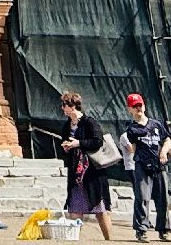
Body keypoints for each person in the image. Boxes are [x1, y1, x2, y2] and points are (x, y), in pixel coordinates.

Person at [58, 92, 112, 242]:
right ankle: (74, 240)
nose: (62, 108)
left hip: (92, 173)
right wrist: (67, 147)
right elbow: (64, 143)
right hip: (76, 173)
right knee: (75, 207)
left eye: (64, 105)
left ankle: (110, 240)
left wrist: (79, 143)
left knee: (100, 209)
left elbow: (97, 141)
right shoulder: (66, 125)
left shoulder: (89, 122)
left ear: (72, 106)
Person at [124, 93, 171, 243]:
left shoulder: (156, 124)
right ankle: (141, 230)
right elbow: (132, 147)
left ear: (144, 106)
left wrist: (163, 151)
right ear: (129, 109)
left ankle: (163, 230)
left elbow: (167, 139)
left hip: (159, 165)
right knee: (142, 197)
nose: (138, 108)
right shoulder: (132, 129)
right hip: (142, 165)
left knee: (163, 198)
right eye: (134, 106)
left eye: (140, 105)